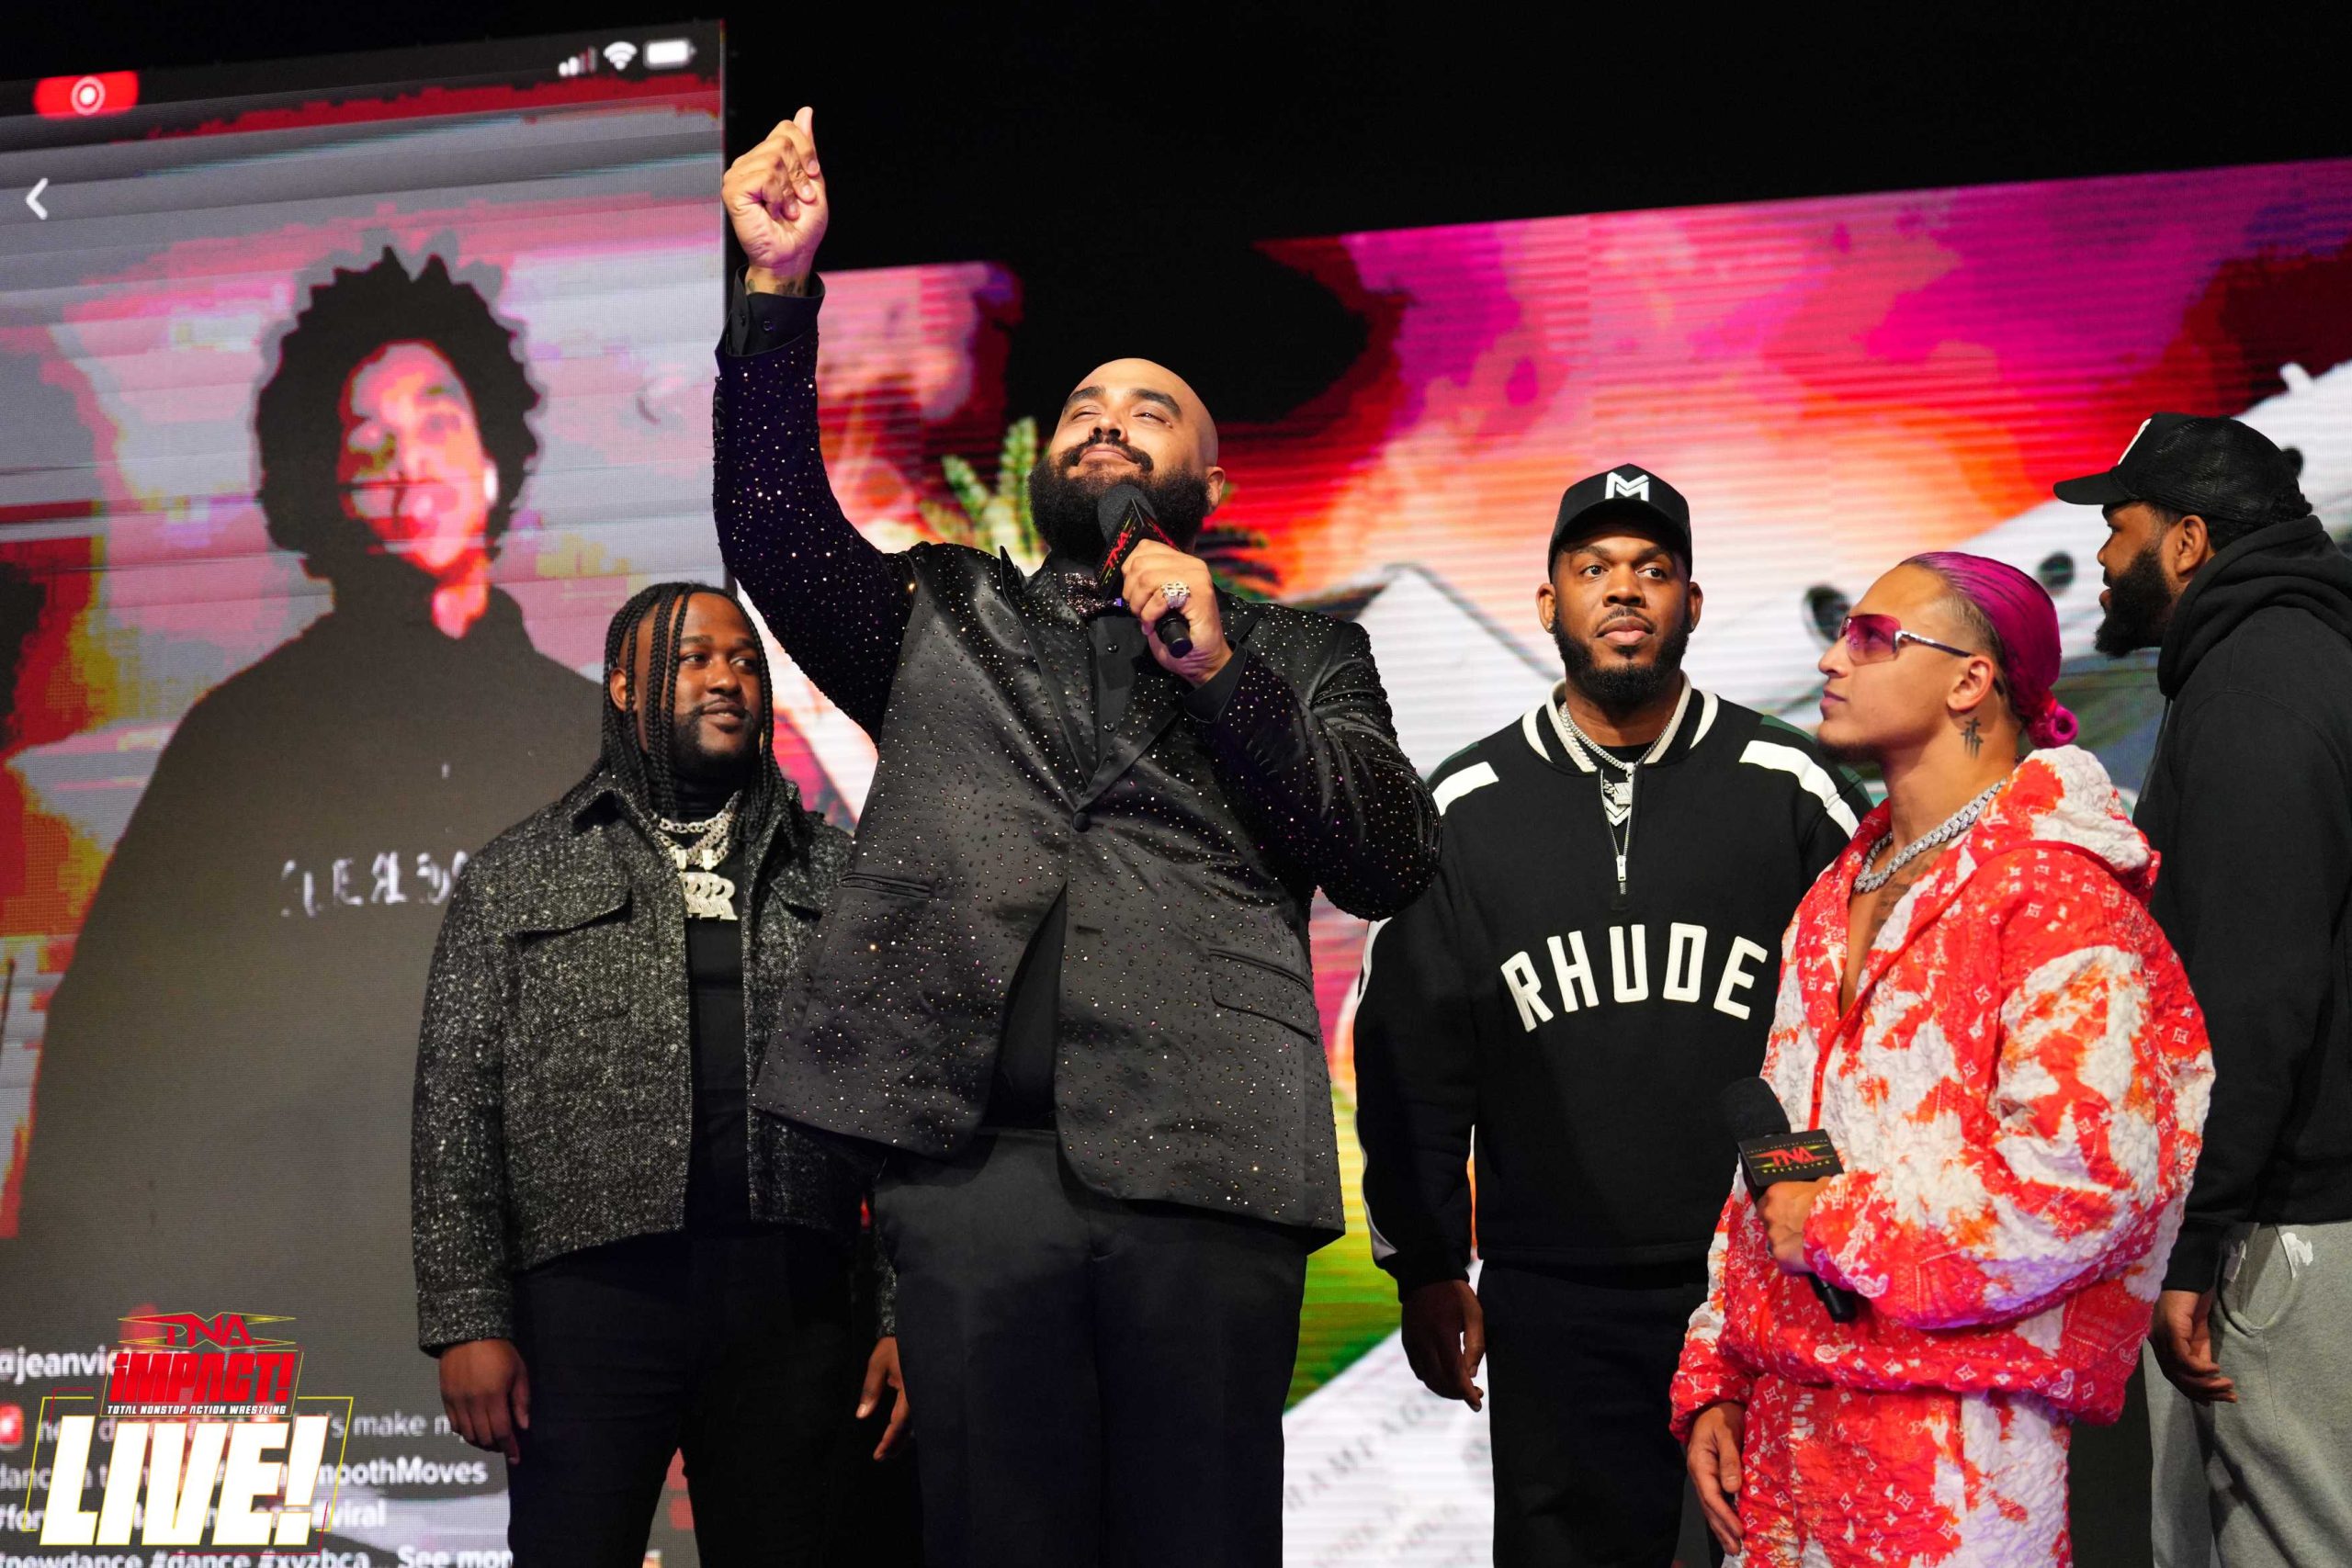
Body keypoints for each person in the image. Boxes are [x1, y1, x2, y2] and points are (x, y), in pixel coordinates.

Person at [713, 109, 1440, 1566]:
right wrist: (777, 294)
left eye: (1149, 408)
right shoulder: (942, 615)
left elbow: (1386, 854)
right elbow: (777, 532)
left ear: (1211, 485)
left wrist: (1219, 668)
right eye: (1085, 406)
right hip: (975, 1179)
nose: (1106, 418)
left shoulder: (1301, 651)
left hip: (1210, 1172)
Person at [7, 251, 600, 1416]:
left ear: (496, 456)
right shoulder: (241, 740)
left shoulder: (589, 734)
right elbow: (113, 1040)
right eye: (366, 444)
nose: (407, 463)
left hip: (557, 1344)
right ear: (324, 494)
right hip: (288, 1357)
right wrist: (125, 1315)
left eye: (436, 419)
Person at [1353, 465, 1868, 1566]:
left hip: (1760, 1283)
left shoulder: (1789, 785)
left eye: (1652, 568)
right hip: (1554, 1297)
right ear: (1550, 603)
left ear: (1691, 601)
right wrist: (1427, 1263)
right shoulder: (1466, 807)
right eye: (1593, 569)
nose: (1624, 589)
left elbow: (1865, 1033)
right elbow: (1412, 1056)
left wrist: (1827, 1239)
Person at [1671, 552, 2211, 1567]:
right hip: (1787, 1436)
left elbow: (2089, 1183)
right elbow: (1781, 1155)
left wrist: (1834, 1223)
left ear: (1971, 680)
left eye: (1873, 637)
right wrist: (1722, 1366)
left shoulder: (2056, 891)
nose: (1833, 658)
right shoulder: (1834, 895)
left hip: (1961, 1452)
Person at [413, 582, 906, 1566]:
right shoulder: (518, 873)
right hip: (585, 1304)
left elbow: (898, 1108)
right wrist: (466, 1319)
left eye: (745, 662)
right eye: (695, 660)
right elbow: (455, 1110)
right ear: (625, 685)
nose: (728, 679)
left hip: (791, 1299)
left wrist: (900, 1311)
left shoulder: (837, 872)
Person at [2067, 414, 2352, 1567]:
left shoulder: (2254, 689)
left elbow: (2253, 991)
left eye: (2116, 525)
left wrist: (2195, 1242)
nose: (2100, 555)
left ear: (2185, 542)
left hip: (2287, 1225)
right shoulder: (2300, 659)